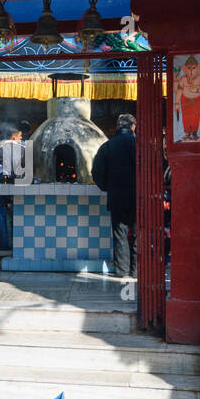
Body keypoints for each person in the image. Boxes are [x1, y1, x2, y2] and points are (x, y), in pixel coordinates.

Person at [92, 112, 138, 278]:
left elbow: (96, 172)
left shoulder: (107, 146)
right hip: (139, 197)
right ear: (133, 127)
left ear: (118, 127)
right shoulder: (139, 144)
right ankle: (136, 271)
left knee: (120, 234)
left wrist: (106, 187)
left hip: (117, 197)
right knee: (139, 234)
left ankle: (122, 271)